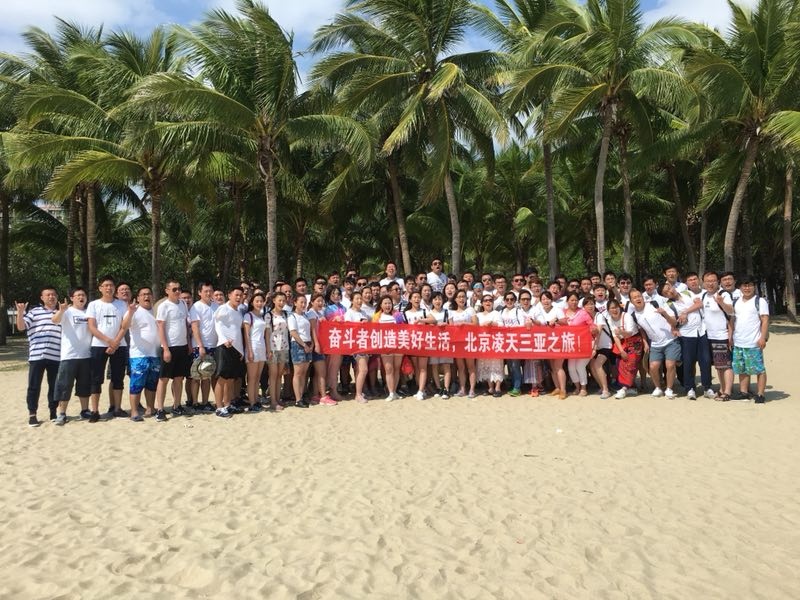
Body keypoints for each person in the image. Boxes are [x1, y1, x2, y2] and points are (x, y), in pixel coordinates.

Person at [16, 286, 61, 426]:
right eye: (48, 295)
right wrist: (20, 312)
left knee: (54, 386)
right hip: (37, 355)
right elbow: (21, 327)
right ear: (42, 298)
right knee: (34, 386)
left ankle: (53, 412)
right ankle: (32, 414)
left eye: (53, 294)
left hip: (56, 356)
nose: (51, 297)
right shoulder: (35, 312)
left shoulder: (61, 313)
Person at [86, 276, 128, 422]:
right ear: (100, 288)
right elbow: (92, 327)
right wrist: (109, 341)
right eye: (105, 285)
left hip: (119, 345)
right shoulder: (93, 305)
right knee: (96, 378)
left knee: (118, 377)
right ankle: (95, 411)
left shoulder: (121, 304)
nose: (108, 288)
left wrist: (115, 342)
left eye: (111, 285)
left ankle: (117, 408)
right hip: (99, 345)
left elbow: (124, 326)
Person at [630, 285, 680, 398]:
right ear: (631, 301)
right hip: (655, 343)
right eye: (634, 297)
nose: (637, 299)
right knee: (653, 366)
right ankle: (658, 388)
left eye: (639, 296)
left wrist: (665, 313)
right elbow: (641, 329)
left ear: (643, 297)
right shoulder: (634, 315)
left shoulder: (654, 304)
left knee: (670, 365)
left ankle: (669, 389)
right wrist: (645, 343)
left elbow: (674, 322)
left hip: (670, 340)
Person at [51, 288, 91, 425]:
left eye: (83, 295)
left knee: (84, 385)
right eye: (78, 295)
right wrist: (61, 310)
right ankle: (62, 413)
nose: (81, 297)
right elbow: (54, 320)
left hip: (86, 355)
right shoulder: (67, 311)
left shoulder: (89, 312)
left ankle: (85, 410)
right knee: (64, 385)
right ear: (72, 298)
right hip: (69, 355)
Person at [667, 273, 711, 399]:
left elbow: (699, 304)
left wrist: (685, 312)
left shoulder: (688, 293)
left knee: (705, 360)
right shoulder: (669, 305)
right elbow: (673, 321)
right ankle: (690, 388)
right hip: (686, 334)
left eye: (670, 288)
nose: (670, 291)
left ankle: (707, 387)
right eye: (666, 292)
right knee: (688, 362)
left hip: (701, 331)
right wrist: (674, 327)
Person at [120, 287, 161, 421]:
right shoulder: (134, 310)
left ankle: (150, 408)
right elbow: (124, 326)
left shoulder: (156, 311)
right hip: (139, 354)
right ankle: (134, 412)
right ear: (138, 298)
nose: (146, 296)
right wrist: (131, 312)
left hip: (155, 353)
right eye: (143, 294)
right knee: (136, 384)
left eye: (148, 294)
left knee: (152, 383)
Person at [154, 280, 191, 422]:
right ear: (167, 291)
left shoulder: (183, 304)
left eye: (179, 289)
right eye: (174, 289)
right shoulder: (164, 306)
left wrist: (188, 343)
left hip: (182, 346)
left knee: (179, 378)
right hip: (169, 347)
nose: (177, 291)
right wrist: (165, 349)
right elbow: (160, 328)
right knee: (163, 379)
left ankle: (177, 406)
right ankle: (160, 409)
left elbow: (185, 324)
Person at [730, 276, 769, 403]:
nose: (747, 288)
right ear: (740, 287)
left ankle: (760, 394)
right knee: (742, 369)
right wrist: (731, 337)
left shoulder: (760, 301)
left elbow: (765, 320)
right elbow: (733, 320)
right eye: (744, 286)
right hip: (738, 341)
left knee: (759, 369)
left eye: (750, 285)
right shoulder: (736, 302)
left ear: (754, 287)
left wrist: (762, 338)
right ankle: (744, 392)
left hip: (753, 342)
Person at [701, 271, 734, 400]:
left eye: (713, 281)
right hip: (709, 336)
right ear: (703, 283)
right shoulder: (704, 296)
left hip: (722, 336)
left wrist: (721, 303)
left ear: (718, 282)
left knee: (726, 365)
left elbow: (731, 312)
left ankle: (727, 392)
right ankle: (722, 388)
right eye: (707, 281)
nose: (710, 284)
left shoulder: (723, 294)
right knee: (719, 366)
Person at [213, 285, 245, 418]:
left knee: (231, 379)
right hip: (224, 347)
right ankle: (219, 407)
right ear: (230, 295)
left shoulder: (238, 311)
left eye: (241, 295)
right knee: (222, 378)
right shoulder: (223, 308)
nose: (238, 297)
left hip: (236, 349)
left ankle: (228, 404)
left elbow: (237, 331)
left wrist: (241, 351)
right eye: (236, 295)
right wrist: (224, 339)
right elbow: (217, 325)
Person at [604, 299, 642, 399]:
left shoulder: (627, 316)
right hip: (622, 342)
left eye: (616, 307)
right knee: (619, 362)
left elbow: (629, 333)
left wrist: (621, 332)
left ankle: (624, 388)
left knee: (630, 363)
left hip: (634, 341)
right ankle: (629, 386)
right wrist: (621, 351)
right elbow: (615, 337)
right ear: (608, 310)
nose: (615, 310)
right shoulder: (610, 319)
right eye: (612, 308)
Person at [189, 281, 218, 412]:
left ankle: (205, 402)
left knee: (207, 376)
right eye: (205, 291)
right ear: (200, 292)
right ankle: (195, 403)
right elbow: (195, 327)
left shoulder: (216, 306)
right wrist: (200, 346)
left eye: (210, 291)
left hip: (214, 345)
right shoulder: (196, 307)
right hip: (200, 346)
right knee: (196, 376)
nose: (208, 293)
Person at [403, 291, 436, 400]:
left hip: (423, 342)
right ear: (410, 300)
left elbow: (433, 320)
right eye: (414, 297)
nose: (417, 299)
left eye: (418, 297)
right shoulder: (406, 313)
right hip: (412, 342)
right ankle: (420, 389)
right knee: (416, 368)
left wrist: (422, 320)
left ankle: (421, 390)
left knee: (422, 367)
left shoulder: (424, 311)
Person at [535, 291, 567, 399]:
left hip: (558, 340)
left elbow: (565, 322)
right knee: (552, 367)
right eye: (543, 299)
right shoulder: (539, 311)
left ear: (551, 300)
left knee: (558, 366)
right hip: (547, 342)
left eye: (548, 298)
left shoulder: (557, 309)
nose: (546, 301)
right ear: (540, 301)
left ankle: (563, 389)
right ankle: (557, 387)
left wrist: (557, 320)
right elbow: (538, 323)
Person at [373, 295, 405, 402]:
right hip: (385, 345)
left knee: (396, 368)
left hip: (398, 345)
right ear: (381, 305)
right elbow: (374, 331)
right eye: (385, 303)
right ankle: (390, 392)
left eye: (389, 303)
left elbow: (403, 328)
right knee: (389, 369)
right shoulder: (377, 317)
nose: (387, 305)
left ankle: (394, 391)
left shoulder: (397, 315)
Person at [563, 292, 593, 396]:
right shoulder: (563, 313)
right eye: (571, 300)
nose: (574, 302)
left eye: (576, 300)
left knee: (580, 366)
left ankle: (584, 388)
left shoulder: (583, 312)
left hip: (584, 344)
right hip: (570, 345)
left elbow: (591, 325)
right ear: (567, 301)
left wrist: (593, 329)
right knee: (571, 367)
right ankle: (577, 387)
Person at [449, 289, 478, 398]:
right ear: (455, 299)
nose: (461, 299)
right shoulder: (451, 312)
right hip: (457, 342)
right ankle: (462, 388)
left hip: (469, 341)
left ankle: (472, 389)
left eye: (463, 296)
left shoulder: (470, 310)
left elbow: (475, 324)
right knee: (460, 367)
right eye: (459, 297)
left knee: (471, 367)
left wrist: (464, 323)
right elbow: (450, 327)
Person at [243, 292, 268, 412]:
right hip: (252, 346)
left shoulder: (262, 316)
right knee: (252, 378)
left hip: (261, 347)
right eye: (257, 301)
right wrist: (249, 351)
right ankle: (252, 402)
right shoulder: (248, 316)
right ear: (252, 303)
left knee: (258, 377)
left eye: (261, 301)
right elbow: (246, 334)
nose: (259, 303)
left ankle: (256, 400)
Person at [288, 294, 314, 408]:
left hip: (307, 344)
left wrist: (311, 343)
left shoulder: (305, 316)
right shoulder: (292, 316)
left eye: (305, 303)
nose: (303, 305)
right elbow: (293, 332)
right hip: (298, 344)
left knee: (304, 373)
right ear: (295, 303)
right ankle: (298, 399)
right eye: (301, 302)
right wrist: (303, 345)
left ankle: (302, 396)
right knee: (298, 373)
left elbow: (309, 331)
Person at [266, 291, 291, 411]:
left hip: (284, 347)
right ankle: (273, 401)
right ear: (274, 301)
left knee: (280, 375)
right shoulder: (268, 315)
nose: (281, 303)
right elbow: (267, 333)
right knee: (273, 375)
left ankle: (277, 398)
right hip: (273, 347)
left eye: (283, 301)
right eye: (279, 300)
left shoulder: (286, 314)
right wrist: (268, 349)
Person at [322, 286, 347, 403]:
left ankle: (333, 388)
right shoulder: (327, 308)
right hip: (333, 341)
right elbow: (327, 324)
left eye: (338, 294)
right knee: (332, 366)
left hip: (342, 340)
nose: (336, 296)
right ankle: (332, 390)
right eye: (333, 294)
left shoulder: (344, 307)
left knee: (336, 366)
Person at [344, 291, 370, 403]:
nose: (359, 301)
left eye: (360, 299)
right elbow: (347, 328)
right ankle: (358, 394)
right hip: (356, 344)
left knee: (360, 370)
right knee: (363, 369)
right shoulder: (349, 313)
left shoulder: (363, 312)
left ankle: (359, 392)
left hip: (365, 343)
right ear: (352, 300)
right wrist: (359, 325)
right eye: (357, 299)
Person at [476, 295, 504, 397]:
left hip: (495, 341)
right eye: (485, 300)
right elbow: (474, 327)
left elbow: (502, 325)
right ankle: (490, 387)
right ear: (482, 303)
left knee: (496, 364)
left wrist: (492, 323)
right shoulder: (478, 315)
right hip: (483, 342)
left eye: (490, 300)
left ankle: (498, 387)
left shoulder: (496, 313)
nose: (488, 302)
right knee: (485, 365)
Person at [499, 291, 525, 395]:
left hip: (515, 340)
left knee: (515, 364)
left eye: (511, 299)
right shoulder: (501, 311)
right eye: (507, 299)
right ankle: (513, 384)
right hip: (505, 341)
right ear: (504, 301)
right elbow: (500, 324)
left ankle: (517, 387)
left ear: (515, 301)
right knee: (509, 364)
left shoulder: (518, 311)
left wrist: (511, 328)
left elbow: (522, 325)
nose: (509, 301)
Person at [428, 292, 452, 399]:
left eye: (439, 299)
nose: (437, 301)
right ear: (432, 301)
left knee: (446, 365)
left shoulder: (447, 312)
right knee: (434, 365)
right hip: (433, 341)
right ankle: (438, 388)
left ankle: (446, 388)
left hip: (446, 341)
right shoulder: (428, 313)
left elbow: (452, 326)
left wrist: (446, 325)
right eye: (435, 299)